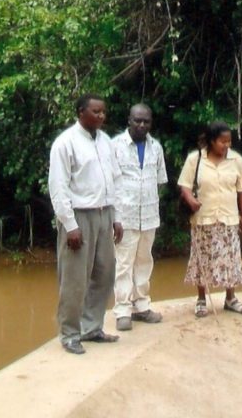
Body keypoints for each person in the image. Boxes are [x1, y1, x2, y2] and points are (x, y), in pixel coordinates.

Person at [48, 93, 123, 355]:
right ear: (81, 113)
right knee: (75, 278)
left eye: (103, 112)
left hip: (104, 213)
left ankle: (91, 327)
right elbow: (58, 187)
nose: (101, 116)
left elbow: (114, 180)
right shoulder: (65, 143)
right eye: (95, 112)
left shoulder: (105, 142)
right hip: (79, 215)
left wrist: (117, 218)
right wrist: (70, 225)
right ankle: (69, 333)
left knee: (105, 272)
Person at [177, 121, 242, 317]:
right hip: (203, 218)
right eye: (222, 141)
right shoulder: (196, 159)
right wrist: (191, 200)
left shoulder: (237, 160)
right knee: (202, 257)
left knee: (230, 257)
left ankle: (231, 298)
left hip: (229, 217)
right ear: (211, 141)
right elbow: (184, 185)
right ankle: (201, 300)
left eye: (229, 141)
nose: (226, 145)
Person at [111, 104, 168, 331]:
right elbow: (110, 184)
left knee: (145, 261)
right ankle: (123, 310)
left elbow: (160, 181)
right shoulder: (115, 147)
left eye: (146, 121)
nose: (141, 125)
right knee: (124, 264)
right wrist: (115, 217)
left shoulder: (157, 148)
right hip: (124, 218)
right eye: (137, 120)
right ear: (129, 120)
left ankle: (142, 307)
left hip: (149, 216)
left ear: (151, 123)